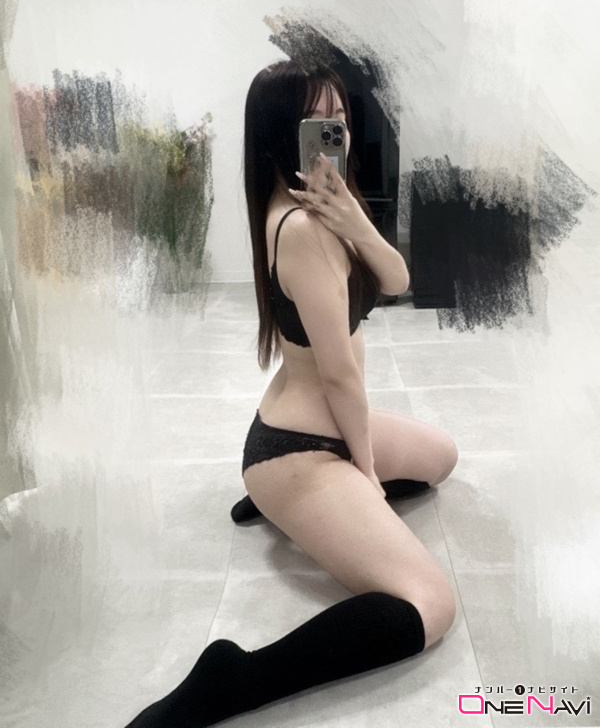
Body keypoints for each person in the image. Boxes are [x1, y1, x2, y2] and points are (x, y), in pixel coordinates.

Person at [124, 61, 458, 728]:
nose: (335, 131)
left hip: (322, 427)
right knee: (431, 604)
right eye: (316, 119)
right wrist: (365, 471)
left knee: (440, 458)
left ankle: (294, 508)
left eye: (340, 116)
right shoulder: (300, 230)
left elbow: (396, 280)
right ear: (282, 133)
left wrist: (357, 221)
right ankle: (234, 679)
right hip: (296, 447)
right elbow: (339, 377)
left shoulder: (329, 206)